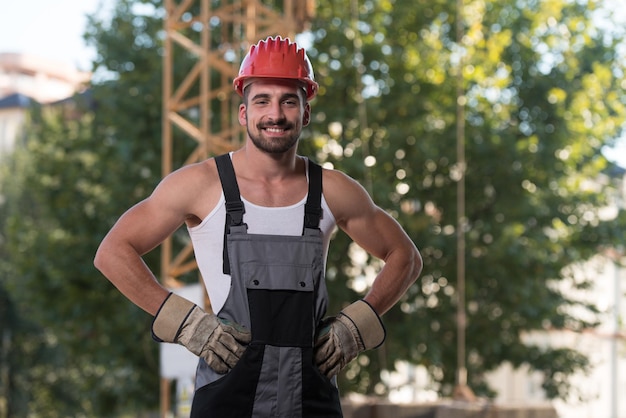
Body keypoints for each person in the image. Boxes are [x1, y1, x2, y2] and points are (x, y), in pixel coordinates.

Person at [94, 36, 422, 417]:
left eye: (288, 101)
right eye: (262, 100)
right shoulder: (200, 185)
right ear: (243, 112)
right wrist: (185, 323)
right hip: (226, 395)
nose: (275, 114)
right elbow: (112, 252)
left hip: (310, 396)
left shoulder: (334, 190)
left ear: (306, 112)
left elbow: (406, 258)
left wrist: (357, 323)